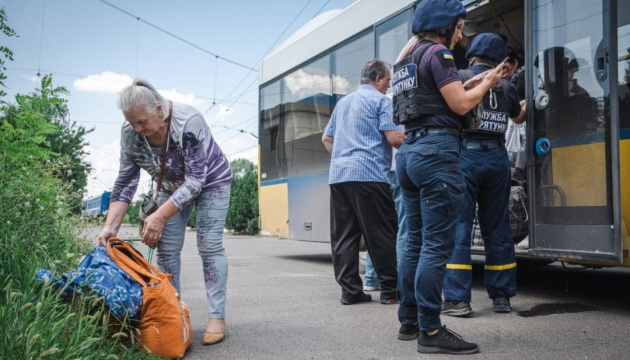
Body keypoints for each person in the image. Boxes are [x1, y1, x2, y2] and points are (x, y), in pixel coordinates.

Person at [392, 0, 506, 355]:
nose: (460, 35)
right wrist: (488, 82)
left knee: (414, 242)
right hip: (437, 154)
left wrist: (481, 80)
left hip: (409, 153)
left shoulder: (404, 61)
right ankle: (430, 330)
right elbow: (459, 104)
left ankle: (408, 320)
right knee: (435, 246)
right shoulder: (438, 55)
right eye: (459, 27)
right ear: (444, 25)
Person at [96, 79, 232, 346]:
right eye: (132, 122)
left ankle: (217, 317)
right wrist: (110, 226)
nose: (137, 128)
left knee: (209, 245)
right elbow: (126, 181)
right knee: (167, 250)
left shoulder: (188, 121)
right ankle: (174, 315)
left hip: (211, 182)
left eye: (142, 122)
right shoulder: (131, 132)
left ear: (159, 110)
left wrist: (158, 215)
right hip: (170, 186)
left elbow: (195, 180)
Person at [441, 33, 526, 319]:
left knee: (460, 228)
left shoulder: (459, 76)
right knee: (498, 228)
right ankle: (501, 297)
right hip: (497, 157)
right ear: (499, 59)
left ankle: (458, 300)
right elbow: (517, 117)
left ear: (472, 55)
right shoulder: (507, 84)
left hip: (465, 155)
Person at [322, 59, 404, 306]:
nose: (388, 86)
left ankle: (350, 292)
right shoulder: (381, 102)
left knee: (344, 237)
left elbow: (326, 139)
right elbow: (395, 139)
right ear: (378, 79)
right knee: (381, 234)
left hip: (339, 176)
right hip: (369, 175)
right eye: (388, 81)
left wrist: (344, 156)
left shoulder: (343, 103)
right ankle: (390, 292)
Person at [363, 147, 408, 292]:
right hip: (399, 167)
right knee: (404, 226)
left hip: (377, 172)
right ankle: (401, 280)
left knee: (378, 228)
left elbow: (326, 138)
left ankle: (371, 278)